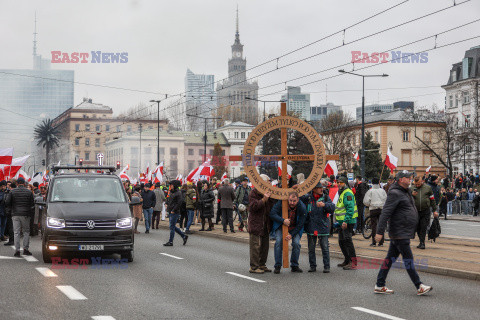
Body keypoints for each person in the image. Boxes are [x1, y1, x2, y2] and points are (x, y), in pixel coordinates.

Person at [374, 170, 433, 296]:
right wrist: (379, 232)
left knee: (389, 259)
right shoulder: (395, 193)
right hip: (399, 231)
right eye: (408, 177)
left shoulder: (406, 192)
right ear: (401, 179)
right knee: (408, 260)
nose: (410, 179)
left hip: (403, 231)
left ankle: (379, 285)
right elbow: (385, 213)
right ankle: (419, 286)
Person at [301, 181, 334, 273]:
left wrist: (324, 205)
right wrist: (298, 188)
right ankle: (312, 266)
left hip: (323, 225)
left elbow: (332, 208)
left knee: (325, 247)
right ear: (314, 189)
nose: (321, 189)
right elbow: (297, 198)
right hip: (311, 226)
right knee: (311, 248)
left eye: (321, 187)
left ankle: (326, 266)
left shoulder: (326, 197)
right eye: (319, 188)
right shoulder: (308, 197)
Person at [270, 191, 307, 274]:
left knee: (296, 244)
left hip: (295, 227)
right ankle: (277, 265)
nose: (292, 203)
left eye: (294, 201)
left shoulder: (302, 207)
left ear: (298, 200)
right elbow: (272, 214)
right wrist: (283, 220)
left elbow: (301, 223)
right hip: (281, 225)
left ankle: (294, 265)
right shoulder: (281, 202)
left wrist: (291, 234)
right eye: (290, 200)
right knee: (279, 242)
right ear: (288, 199)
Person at [248, 174, 275, 274]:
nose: (270, 183)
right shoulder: (253, 193)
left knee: (265, 246)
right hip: (256, 223)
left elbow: (273, 206)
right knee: (255, 246)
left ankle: (262, 264)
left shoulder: (268, 192)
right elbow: (253, 207)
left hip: (266, 224)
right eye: (268, 181)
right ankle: (254, 267)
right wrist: (264, 199)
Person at [5, 177, 34, 257]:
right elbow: (32, 204)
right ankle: (25, 249)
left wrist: (10, 210)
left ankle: (17, 250)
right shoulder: (29, 192)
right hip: (26, 214)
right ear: (24, 183)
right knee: (26, 232)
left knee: (16, 232)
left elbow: (7, 202)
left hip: (15, 214)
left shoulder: (12, 192)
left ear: (17, 183)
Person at [335, 176, 357, 270]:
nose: (339, 184)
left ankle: (353, 262)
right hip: (342, 221)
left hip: (347, 221)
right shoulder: (343, 192)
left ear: (345, 183)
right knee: (342, 241)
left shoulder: (347, 193)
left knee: (347, 241)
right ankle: (347, 260)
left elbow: (350, 208)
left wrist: (345, 221)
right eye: (338, 182)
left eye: (341, 182)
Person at [411, 176, 438, 249]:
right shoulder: (411, 188)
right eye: (416, 184)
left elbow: (432, 199)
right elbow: (407, 199)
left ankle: (422, 243)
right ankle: (421, 241)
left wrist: (435, 210)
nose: (417, 186)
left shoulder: (428, 188)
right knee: (418, 228)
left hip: (425, 210)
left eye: (419, 184)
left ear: (422, 181)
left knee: (423, 227)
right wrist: (411, 195)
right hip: (416, 211)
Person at [363, 177, 387, 247]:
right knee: (381, 225)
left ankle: (374, 242)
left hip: (373, 209)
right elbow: (386, 199)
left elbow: (365, 201)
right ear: (379, 182)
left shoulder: (370, 191)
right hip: (381, 209)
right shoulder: (382, 191)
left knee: (374, 226)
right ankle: (381, 242)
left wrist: (369, 204)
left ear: (372, 183)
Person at [164, 180, 188, 246]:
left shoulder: (178, 193)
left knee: (171, 227)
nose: (170, 186)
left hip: (175, 212)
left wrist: (173, 210)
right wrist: (166, 203)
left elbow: (179, 203)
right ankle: (183, 236)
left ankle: (170, 241)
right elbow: (168, 199)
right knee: (172, 226)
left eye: (171, 185)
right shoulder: (171, 192)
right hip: (170, 210)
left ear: (174, 185)